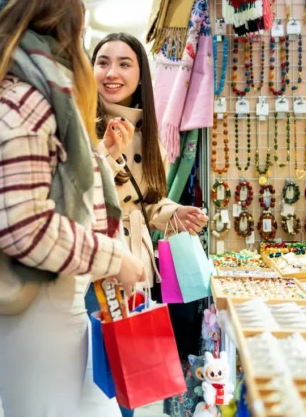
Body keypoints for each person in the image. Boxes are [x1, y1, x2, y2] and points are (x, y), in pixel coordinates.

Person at [0, 0, 145, 417]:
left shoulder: (19, 90)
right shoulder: (28, 98)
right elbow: (25, 226)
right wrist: (116, 259)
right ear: (68, 34)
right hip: (29, 309)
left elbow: (41, 180)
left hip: (38, 308)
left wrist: (98, 156)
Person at [88, 33, 210, 417]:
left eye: (125, 64)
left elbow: (148, 197)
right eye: (103, 62)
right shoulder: (77, 125)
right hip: (96, 256)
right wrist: (104, 153)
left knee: (131, 363)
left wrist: (174, 212)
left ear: (140, 75)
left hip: (137, 263)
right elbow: (78, 190)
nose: (112, 73)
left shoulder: (146, 129)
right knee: (95, 358)